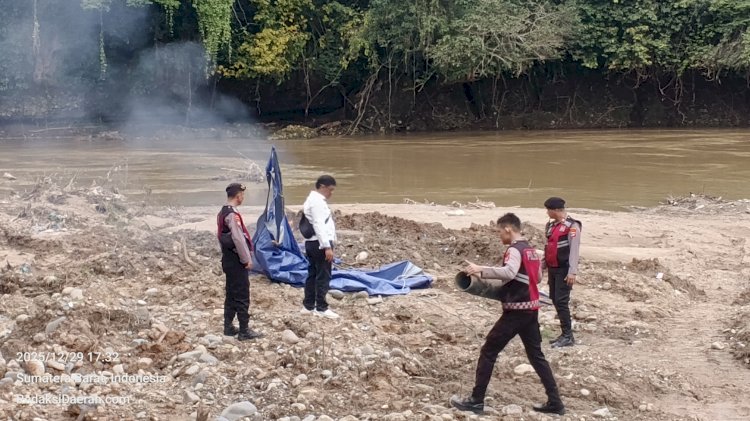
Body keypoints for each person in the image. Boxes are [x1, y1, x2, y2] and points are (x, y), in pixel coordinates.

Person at [450, 213, 565, 416]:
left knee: (488, 351)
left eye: (499, 232)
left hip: (516, 310)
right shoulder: (530, 250)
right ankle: (555, 402)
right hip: (531, 309)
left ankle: (476, 400)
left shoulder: (514, 250)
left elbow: (509, 272)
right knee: (536, 355)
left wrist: (481, 269)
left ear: (508, 229)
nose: (499, 236)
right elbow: (537, 278)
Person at [217, 183, 262, 341]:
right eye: (242, 194)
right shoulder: (232, 215)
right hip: (236, 260)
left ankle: (228, 326)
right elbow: (238, 239)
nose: (243, 197)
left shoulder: (222, 212)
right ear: (238, 196)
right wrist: (246, 259)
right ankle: (244, 330)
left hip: (228, 258)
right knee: (242, 294)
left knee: (231, 293)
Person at [543, 197, 582, 348]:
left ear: (555, 210)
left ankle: (568, 336)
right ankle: (564, 334)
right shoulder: (551, 226)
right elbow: (548, 247)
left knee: (561, 301)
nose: (547, 213)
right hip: (553, 268)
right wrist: (542, 265)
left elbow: (574, 250)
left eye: (548, 210)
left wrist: (572, 272)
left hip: (564, 270)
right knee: (554, 298)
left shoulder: (572, 226)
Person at [301, 175, 339, 319]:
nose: (331, 193)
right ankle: (321, 307)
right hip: (319, 243)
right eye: (330, 189)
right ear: (322, 187)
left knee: (312, 274)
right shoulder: (317, 202)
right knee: (323, 275)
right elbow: (319, 224)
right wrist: (327, 246)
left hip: (312, 243)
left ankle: (308, 305)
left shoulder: (312, 200)